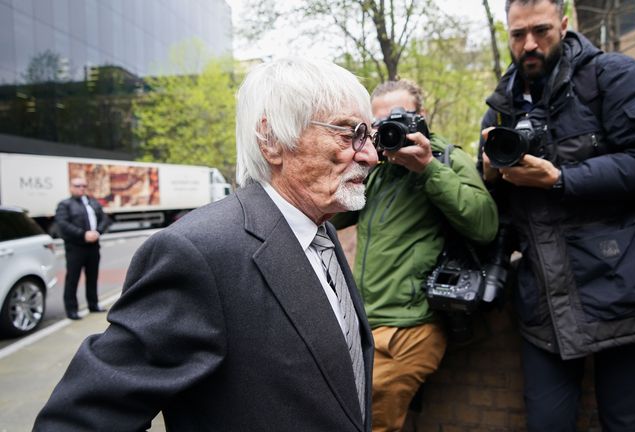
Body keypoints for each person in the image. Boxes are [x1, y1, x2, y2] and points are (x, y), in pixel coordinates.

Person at [34, 58, 379, 432]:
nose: (371, 155)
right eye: (349, 133)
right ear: (273, 141)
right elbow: (79, 420)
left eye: (370, 135)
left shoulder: (321, 231)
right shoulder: (198, 252)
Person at [478, 0, 635, 430]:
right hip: (546, 299)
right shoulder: (501, 105)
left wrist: (562, 179)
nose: (529, 44)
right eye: (517, 34)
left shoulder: (616, 76)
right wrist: (490, 175)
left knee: (625, 423)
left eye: (541, 30)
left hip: (628, 290)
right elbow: (497, 206)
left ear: (565, 24)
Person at [332, 79, 498, 432]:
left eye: (400, 115)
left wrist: (427, 169)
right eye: (379, 122)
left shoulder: (446, 158)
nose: (389, 126)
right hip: (367, 323)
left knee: (367, 423)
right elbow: (332, 215)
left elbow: (484, 224)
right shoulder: (379, 167)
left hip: (410, 328)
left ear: (421, 116)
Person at [54, 177, 112, 320]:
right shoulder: (65, 204)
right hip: (75, 247)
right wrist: (83, 234)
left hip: (93, 246)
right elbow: (63, 224)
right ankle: (71, 309)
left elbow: (104, 219)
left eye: (84, 185)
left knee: (93, 277)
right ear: (71, 187)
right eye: (78, 185)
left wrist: (97, 232)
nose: (81, 188)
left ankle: (93, 304)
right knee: (72, 279)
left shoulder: (93, 203)